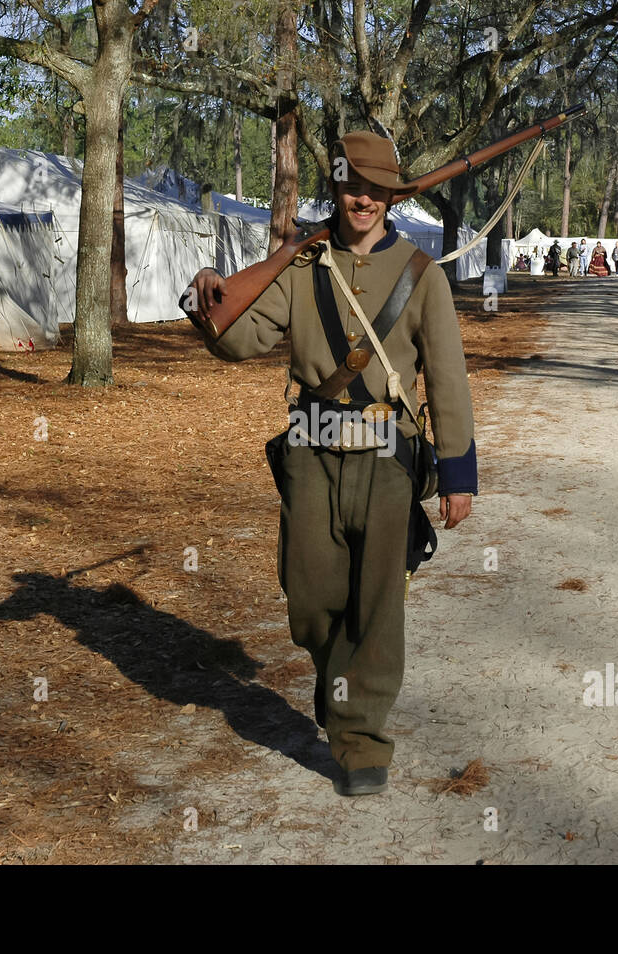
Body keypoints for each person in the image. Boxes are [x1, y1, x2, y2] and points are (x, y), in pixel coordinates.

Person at [183, 131, 476, 797]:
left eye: (377, 189)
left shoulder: (421, 276)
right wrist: (208, 297)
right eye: (352, 187)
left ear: (393, 197)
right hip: (310, 458)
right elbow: (237, 342)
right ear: (338, 190)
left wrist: (457, 476)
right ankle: (336, 678)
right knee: (311, 604)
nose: (363, 198)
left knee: (375, 608)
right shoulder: (302, 267)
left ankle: (360, 739)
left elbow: (449, 382)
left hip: (387, 462)